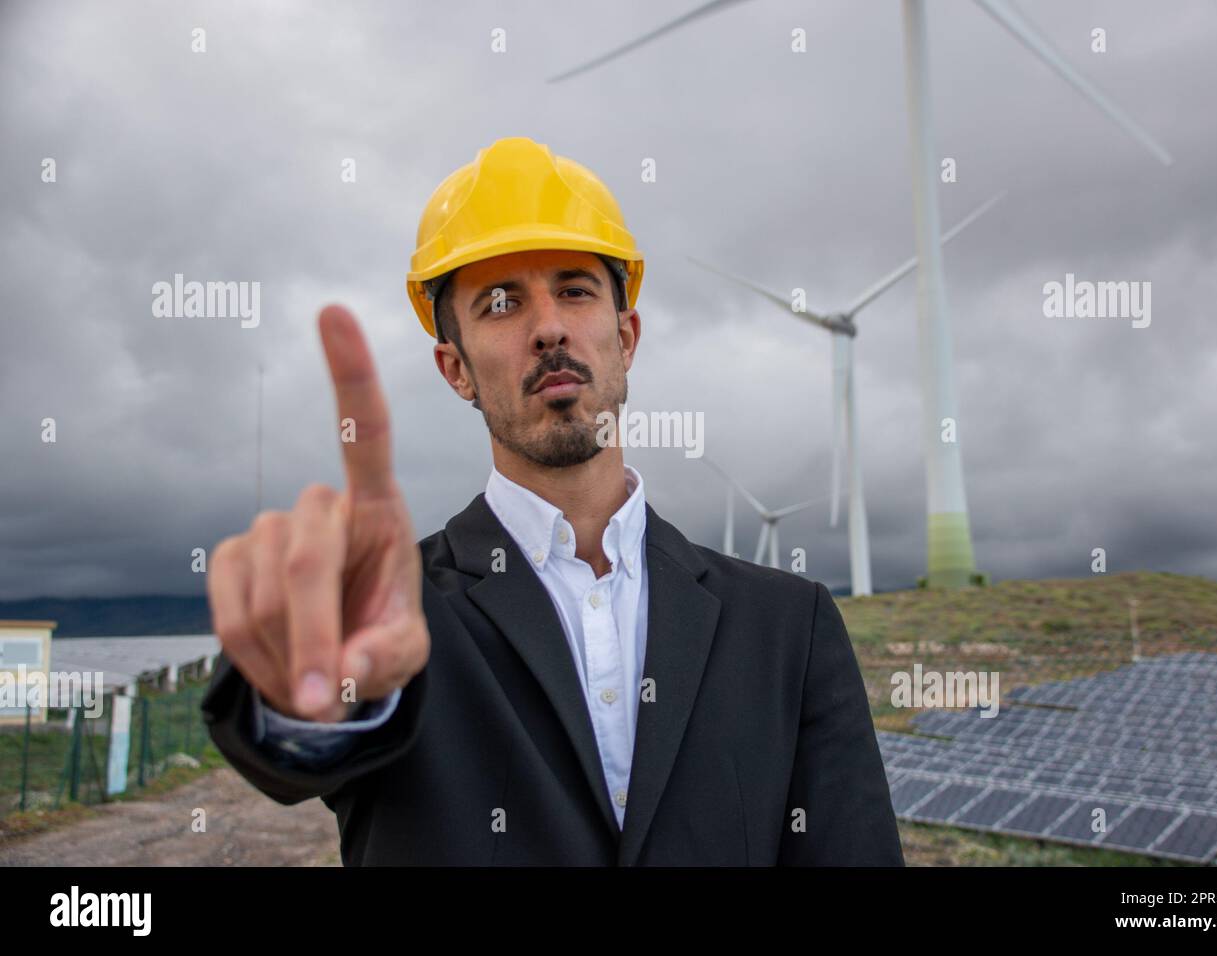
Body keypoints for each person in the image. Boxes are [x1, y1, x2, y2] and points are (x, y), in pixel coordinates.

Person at [201, 136, 904, 866]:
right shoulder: (394, 614)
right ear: (456, 370)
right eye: (500, 303)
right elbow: (288, 745)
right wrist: (307, 691)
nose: (548, 328)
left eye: (574, 289)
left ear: (625, 337)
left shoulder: (789, 626)